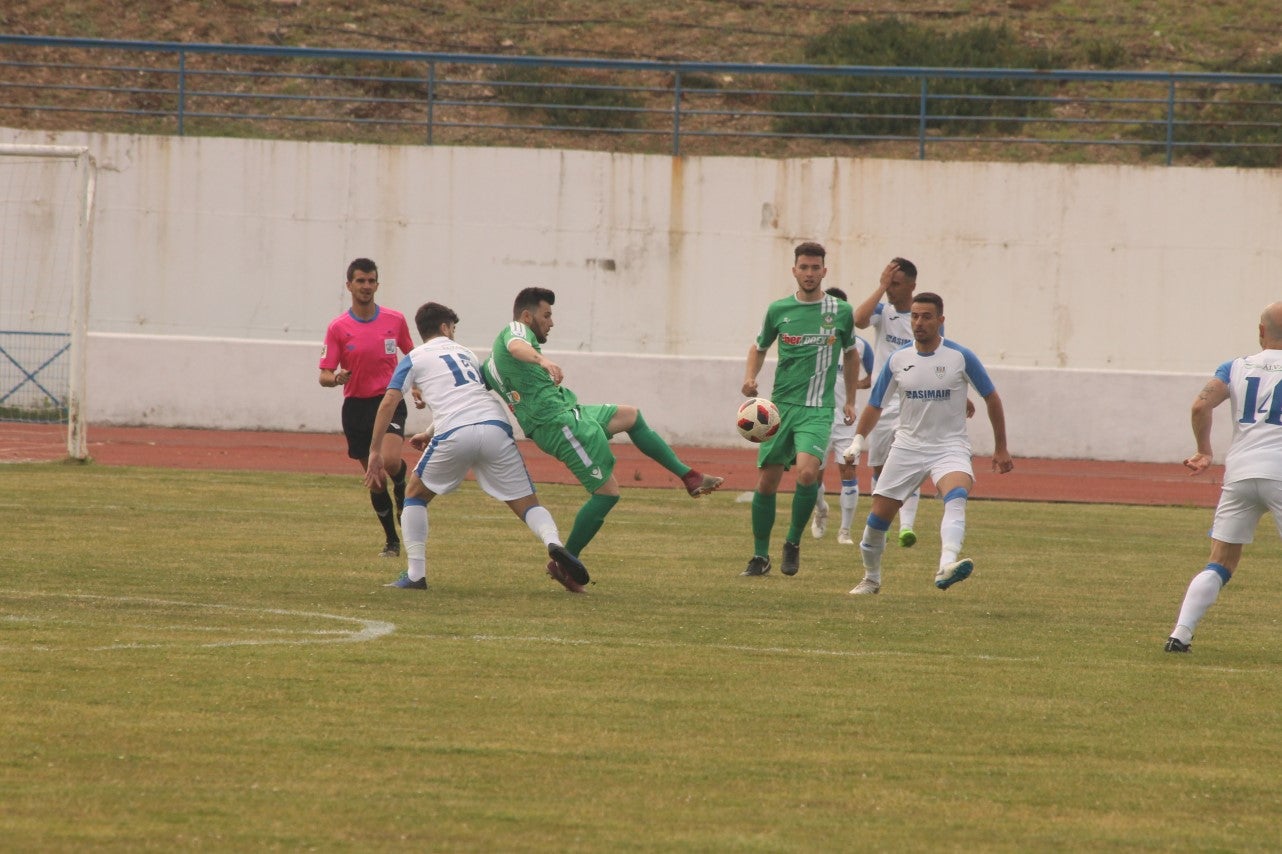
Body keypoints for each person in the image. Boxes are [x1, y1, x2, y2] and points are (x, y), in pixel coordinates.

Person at [482, 287, 724, 564]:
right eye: (546, 315)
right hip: (558, 424)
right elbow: (516, 346)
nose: (552, 322)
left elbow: (476, 383)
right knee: (606, 493)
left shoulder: (490, 365)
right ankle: (566, 562)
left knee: (630, 416)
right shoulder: (515, 330)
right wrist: (542, 359)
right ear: (527, 316)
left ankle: (689, 476)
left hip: (569, 412)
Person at [365, 302, 589, 593]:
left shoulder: (414, 357)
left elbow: (389, 402)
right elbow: (470, 395)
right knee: (528, 504)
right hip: (495, 426)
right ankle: (553, 542)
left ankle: (415, 575)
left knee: (414, 495)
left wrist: (375, 450)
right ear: (445, 328)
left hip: (455, 431)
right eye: (453, 328)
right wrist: (430, 432)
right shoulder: (467, 354)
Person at [844, 292, 1013, 595]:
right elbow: (875, 405)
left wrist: (1001, 447)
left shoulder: (960, 356)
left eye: (926, 317)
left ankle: (946, 564)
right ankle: (871, 578)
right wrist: (857, 441)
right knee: (877, 520)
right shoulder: (898, 360)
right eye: (915, 316)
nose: (919, 322)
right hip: (907, 447)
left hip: (950, 447)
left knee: (956, 495)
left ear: (940, 320)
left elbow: (992, 398)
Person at [1165, 302, 1282, 652]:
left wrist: (1204, 450)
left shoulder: (1235, 367)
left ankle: (1180, 634)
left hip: (1241, 473)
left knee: (1220, 561)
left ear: (1261, 331)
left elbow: (1200, 405)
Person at [739, 241, 859, 578]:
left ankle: (792, 542)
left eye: (815, 267)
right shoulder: (779, 310)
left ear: (824, 271)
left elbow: (851, 353)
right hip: (780, 408)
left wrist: (850, 399)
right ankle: (760, 556)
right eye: (803, 267)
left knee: (807, 473)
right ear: (794, 270)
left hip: (817, 409)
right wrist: (750, 378)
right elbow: (759, 347)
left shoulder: (840, 312)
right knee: (767, 483)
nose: (809, 273)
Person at [319, 258, 416, 558]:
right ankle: (392, 541)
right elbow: (324, 375)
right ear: (349, 285)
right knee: (375, 479)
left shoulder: (394, 320)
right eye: (360, 281)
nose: (366, 286)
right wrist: (336, 378)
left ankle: (401, 479)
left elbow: (414, 355)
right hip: (356, 409)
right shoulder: (338, 327)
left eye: (371, 280)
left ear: (377, 284)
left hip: (388, 400)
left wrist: (417, 385)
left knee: (389, 461)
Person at [853, 258, 924, 548]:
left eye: (895, 284)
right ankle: (880, 520)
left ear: (912, 286)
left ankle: (906, 526)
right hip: (881, 404)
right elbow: (858, 320)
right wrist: (881, 287)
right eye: (888, 283)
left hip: (910, 402)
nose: (890, 289)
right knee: (880, 468)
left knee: (908, 464)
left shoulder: (922, 319)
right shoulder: (883, 312)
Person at [809, 286, 874, 546]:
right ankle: (820, 509)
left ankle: (845, 531)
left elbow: (872, 377)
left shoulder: (860, 345)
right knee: (812, 474)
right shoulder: (813, 340)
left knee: (848, 470)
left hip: (846, 420)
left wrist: (852, 389)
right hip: (817, 417)